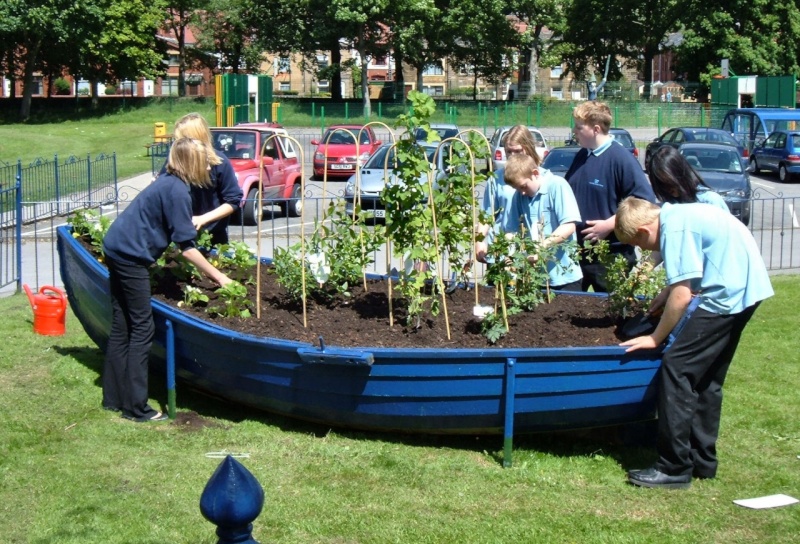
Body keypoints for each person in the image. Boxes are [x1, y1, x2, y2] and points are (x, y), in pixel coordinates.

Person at [615, 197, 773, 489]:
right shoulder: (681, 215)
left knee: (677, 368)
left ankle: (673, 467)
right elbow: (681, 283)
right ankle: (703, 460)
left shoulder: (673, 230)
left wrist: (654, 337)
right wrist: (667, 291)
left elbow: (682, 296)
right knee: (707, 378)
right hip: (749, 290)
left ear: (643, 232)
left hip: (726, 296)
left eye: (642, 246)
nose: (647, 251)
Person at [102, 138, 234, 422]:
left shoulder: (168, 182)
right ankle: (136, 408)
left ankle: (113, 398)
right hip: (130, 257)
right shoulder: (177, 192)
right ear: (192, 164)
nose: (209, 165)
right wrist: (220, 276)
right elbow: (186, 248)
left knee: (122, 324)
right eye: (204, 161)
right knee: (142, 328)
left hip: (116, 247)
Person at [565, 101, 656, 292]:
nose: (574, 131)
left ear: (596, 129)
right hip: (578, 252)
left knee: (608, 314)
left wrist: (608, 225)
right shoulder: (582, 156)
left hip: (610, 254)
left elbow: (645, 202)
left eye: (579, 127)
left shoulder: (621, 159)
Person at [502, 153, 583, 290]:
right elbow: (512, 229)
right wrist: (509, 252)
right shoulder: (519, 196)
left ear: (535, 173)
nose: (521, 192)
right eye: (517, 189)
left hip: (564, 276)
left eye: (523, 186)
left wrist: (541, 247)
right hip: (535, 277)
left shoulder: (557, 185)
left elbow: (569, 225)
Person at [169, 113, 242, 245]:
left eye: (182, 139)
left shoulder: (220, 163)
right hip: (180, 233)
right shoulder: (175, 163)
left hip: (213, 236)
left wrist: (203, 219)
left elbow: (233, 200)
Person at [476, 125, 540, 263]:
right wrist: (480, 241)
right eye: (508, 151)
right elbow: (487, 214)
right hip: (502, 250)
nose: (512, 156)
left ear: (528, 148)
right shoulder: (496, 178)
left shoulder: (537, 177)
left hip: (529, 251)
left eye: (517, 151)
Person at [649, 146, 729, 211]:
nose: (668, 188)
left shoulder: (710, 201)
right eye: (662, 183)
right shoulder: (667, 207)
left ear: (681, 173)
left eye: (669, 182)